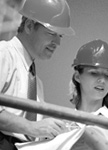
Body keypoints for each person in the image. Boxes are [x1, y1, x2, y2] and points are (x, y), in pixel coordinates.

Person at [0, 0, 75, 149]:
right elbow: (29, 128)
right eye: (51, 33)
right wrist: (31, 127)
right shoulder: (3, 54)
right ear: (29, 26)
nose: (57, 42)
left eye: (60, 36)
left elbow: (31, 129)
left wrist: (52, 130)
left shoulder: (36, 83)